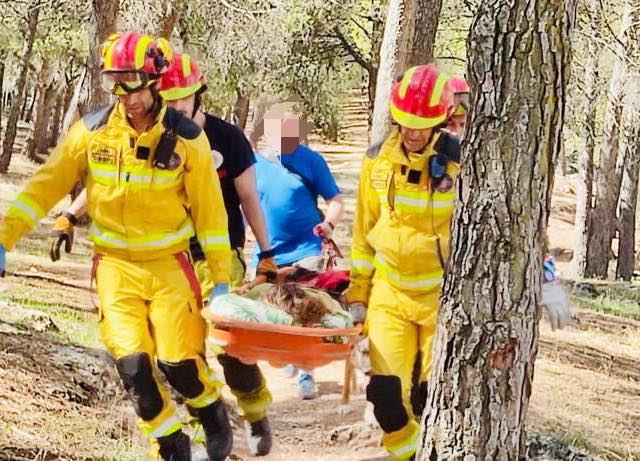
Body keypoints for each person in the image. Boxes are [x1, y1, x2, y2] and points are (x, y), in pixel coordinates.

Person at [0, 32, 233, 461]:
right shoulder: (92, 133)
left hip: (170, 269)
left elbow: (211, 217)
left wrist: (221, 279)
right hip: (114, 269)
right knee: (133, 368)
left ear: (155, 81)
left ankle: (208, 406)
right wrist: (2, 242)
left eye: (134, 85)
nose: (126, 97)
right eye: (117, 85)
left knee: (178, 365)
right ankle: (170, 444)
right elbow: (43, 187)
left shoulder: (189, 141)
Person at [49, 50, 277, 457]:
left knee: (229, 348)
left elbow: (247, 199)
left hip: (215, 256)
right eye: (168, 100)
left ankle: (255, 410)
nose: (175, 108)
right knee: (175, 358)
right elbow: (111, 182)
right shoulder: (146, 130)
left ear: (198, 96)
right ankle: (203, 433)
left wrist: (267, 252)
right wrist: (70, 213)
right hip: (164, 259)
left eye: (183, 100)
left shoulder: (226, 139)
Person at [345, 64, 459, 461]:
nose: (412, 131)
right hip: (389, 294)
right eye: (405, 122)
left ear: (440, 121)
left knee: (430, 396)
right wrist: (357, 292)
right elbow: (363, 233)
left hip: (439, 300)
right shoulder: (376, 161)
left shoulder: (462, 164)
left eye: (422, 124)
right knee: (385, 394)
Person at [252, 103, 345, 399]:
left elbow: (335, 200)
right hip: (269, 252)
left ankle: (307, 372)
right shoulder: (255, 164)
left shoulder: (310, 161)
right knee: (274, 312)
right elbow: (247, 203)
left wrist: (329, 225)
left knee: (304, 308)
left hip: (308, 248)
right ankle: (291, 356)